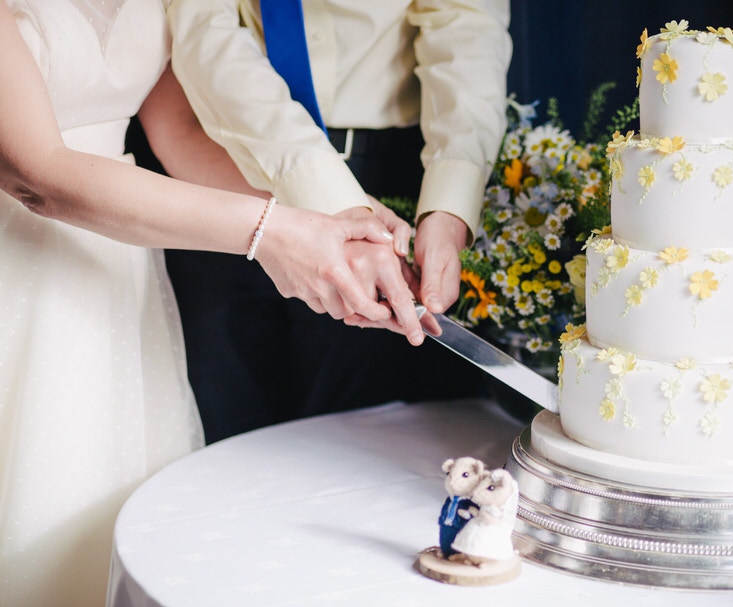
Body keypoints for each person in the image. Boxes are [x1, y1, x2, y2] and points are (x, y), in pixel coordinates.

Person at [0, 1, 430, 607]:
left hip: (117, 277)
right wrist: (271, 235)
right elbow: (38, 174)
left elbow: (180, 137)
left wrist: (333, 225)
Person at [164, 1, 513, 443]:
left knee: (358, 447)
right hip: (220, 167)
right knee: (224, 421)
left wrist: (449, 206)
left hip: (391, 175)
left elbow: (464, 20)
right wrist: (330, 200)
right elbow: (205, 32)